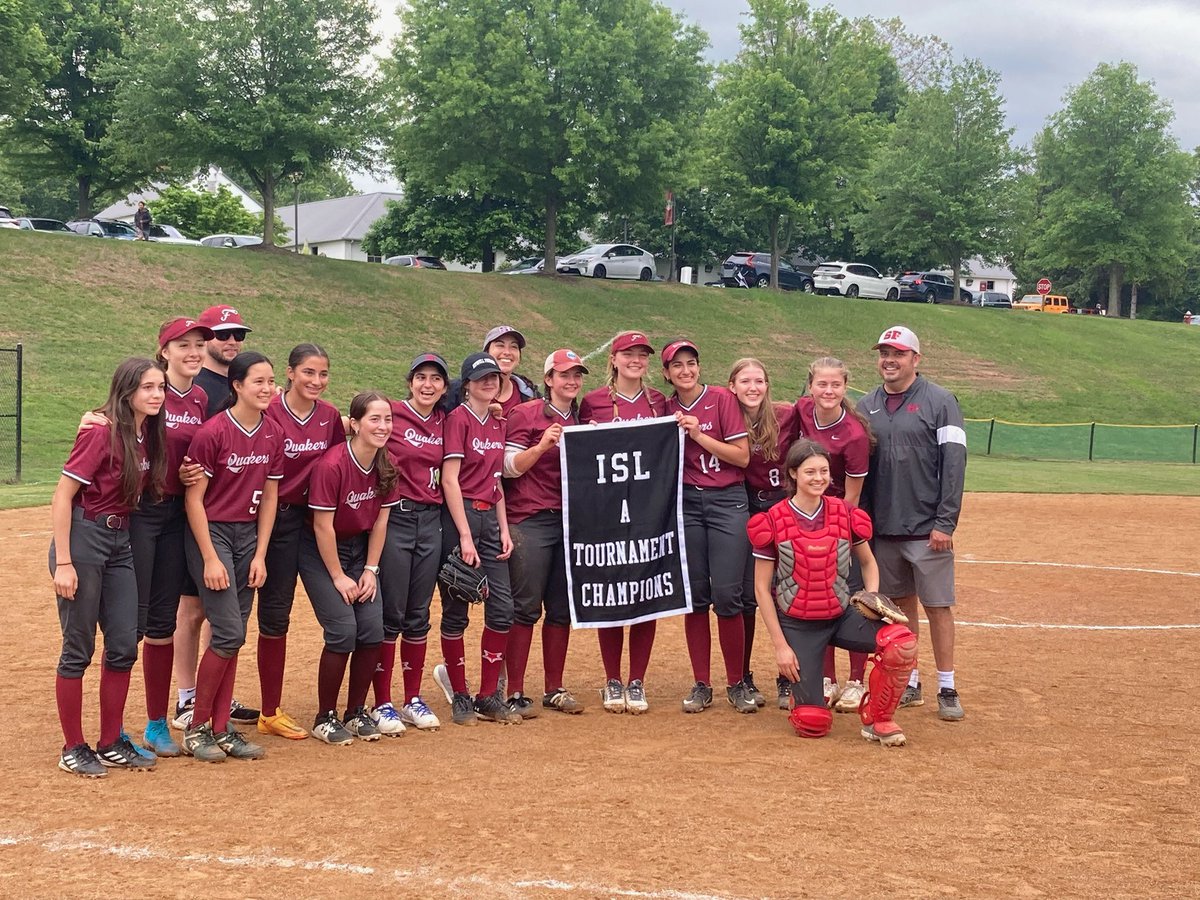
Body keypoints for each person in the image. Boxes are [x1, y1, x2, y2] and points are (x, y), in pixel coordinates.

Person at [747, 439, 918, 746]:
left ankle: (878, 719)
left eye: (824, 471)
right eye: (810, 471)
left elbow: (868, 563)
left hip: (841, 614)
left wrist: (873, 599)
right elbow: (761, 588)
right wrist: (780, 646)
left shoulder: (844, 513)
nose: (818, 478)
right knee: (812, 723)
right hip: (798, 624)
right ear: (794, 474)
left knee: (900, 644)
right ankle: (804, 696)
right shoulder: (773, 519)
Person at [51, 357, 167, 776]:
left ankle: (109, 740)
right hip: (84, 540)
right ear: (127, 391)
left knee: (122, 644)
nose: (156, 395)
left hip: (121, 542)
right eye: (148, 388)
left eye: (160, 388)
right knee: (78, 648)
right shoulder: (102, 432)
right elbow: (63, 495)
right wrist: (64, 562)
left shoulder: (148, 433)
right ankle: (73, 746)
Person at [857, 326, 967, 721]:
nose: (889, 360)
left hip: (927, 528)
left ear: (915, 360)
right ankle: (912, 682)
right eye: (884, 352)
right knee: (901, 609)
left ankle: (947, 685)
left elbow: (954, 465)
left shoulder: (940, 401)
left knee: (938, 607)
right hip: (883, 530)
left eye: (898, 353)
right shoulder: (865, 404)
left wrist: (946, 521)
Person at [182, 351, 283, 761]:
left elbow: (271, 497)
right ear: (237, 385)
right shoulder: (213, 432)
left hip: (249, 537)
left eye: (271, 381)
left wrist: (260, 554)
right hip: (214, 532)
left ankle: (222, 729)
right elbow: (193, 500)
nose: (267, 388)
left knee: (233, 635)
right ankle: (197, 726)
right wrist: (209, 557)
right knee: (228, 633)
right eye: (258, 381)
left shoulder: (273, 432)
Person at [173, 304, 261, 729]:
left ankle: (214, 696)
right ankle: (187, 697)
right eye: (223, 334)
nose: (231, 341)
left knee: (223, 614)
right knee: (192, 610)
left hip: (226, 511)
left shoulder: (234, 384)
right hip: (191, 510)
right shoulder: (196, 385)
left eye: (238, 335)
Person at [256, 344, 346, 740]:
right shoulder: (269, 410)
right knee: (273, 616)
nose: (317, 381)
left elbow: (341, 462)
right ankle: (269, 710)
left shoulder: (328, 417)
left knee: (329, 611)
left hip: (311, 525)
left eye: (323, 374)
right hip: (271, 522)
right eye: (308, 372)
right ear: (290, 373)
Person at [300, 392, 399, 744]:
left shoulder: (386, 464)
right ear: (354, 424)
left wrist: (371, 569)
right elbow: (321, 527)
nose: (383, 426)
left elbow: (381, 523)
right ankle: (324, 716)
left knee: (372, 629)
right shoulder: (333, 465)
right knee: (343, 629)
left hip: (360, 550)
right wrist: (339, 576)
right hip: (321, 551)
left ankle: (355, 711)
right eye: (374, 419)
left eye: (387, 419)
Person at [662, 339, 754, 714]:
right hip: (685, 503)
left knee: (729, 595)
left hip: (727, 501)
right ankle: (702, 682)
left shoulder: (720, 399)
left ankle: (737, 681)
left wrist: (699, 435)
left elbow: (742, 457)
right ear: (667, 373)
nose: (686, 371)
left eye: (692, 363)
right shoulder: (664, 407)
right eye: (677, 365)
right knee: (695, 596)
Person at [578, 330, 667, 714]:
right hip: (607, 510)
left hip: (650, 510)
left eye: (642, 355)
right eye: (628, 354)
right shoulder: (594, 402)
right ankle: (612, 678)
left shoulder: (658, 401)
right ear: (613, 359)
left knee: (646, 591)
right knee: (610, 587)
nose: (635, 360)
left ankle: (637, 680)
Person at [431, 352, 522, 725]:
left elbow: (497, 481)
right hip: (461, 518)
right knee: (456, 609)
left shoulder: (498, 424)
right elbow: (450, 479)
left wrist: (503, 527)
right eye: (481, 378)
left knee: (502, 610)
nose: (489, 382)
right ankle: (460, 694)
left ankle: (487, 694)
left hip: (489, 516)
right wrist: (465, 537)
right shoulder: (458, 420)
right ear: (466, 384)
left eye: (494, 377)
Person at [502, 348, 588, 717]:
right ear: (549, 379)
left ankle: (554, 687)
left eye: (577, 375)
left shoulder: (584, 418)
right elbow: (508, 467)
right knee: (524, 607)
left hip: (570, 521)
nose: (571, 381)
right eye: (563, 374)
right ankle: (515, 690)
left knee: (561, 607)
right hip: (530, 517)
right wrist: (540, 446)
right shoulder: (526, 413)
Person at [373, 352, 450, 733]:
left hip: (430, 520)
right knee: (392, 611)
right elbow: (356, 429)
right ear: (409, 382)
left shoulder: (444, 421)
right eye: (421, 377)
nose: (428, 385)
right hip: (395, 517)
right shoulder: (391, 412)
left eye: (436, 379)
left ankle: (412, 698)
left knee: (419, 612)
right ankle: (382, 701)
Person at [796, 356, 874, 715]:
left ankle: (858, 681)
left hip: (840, 521)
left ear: (845, 388)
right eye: (821, 384)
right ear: (810, 386)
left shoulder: (854, 434)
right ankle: (827, 678)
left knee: (853, 600)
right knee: (819, 600)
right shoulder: (801, 411)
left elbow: (852, 496)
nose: (828, 391)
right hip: (806, 517)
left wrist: (832, 533)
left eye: (836, 385)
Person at [728, 357, 798, 710]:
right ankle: (741, 676)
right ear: (732, 386)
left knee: (788, 594)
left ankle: (789, 678)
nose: (753, 387)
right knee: (746, 596)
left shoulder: (787, 414)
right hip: (746, 511)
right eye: (745, 381)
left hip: (783, 511)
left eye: (759, 380)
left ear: (768, 384)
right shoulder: (725, 417)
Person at [441, 326, 540, 417]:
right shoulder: (456, 390)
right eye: (500, 345)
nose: (507, 352)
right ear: (486, 353)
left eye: (514, 347)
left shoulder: (530, 395)